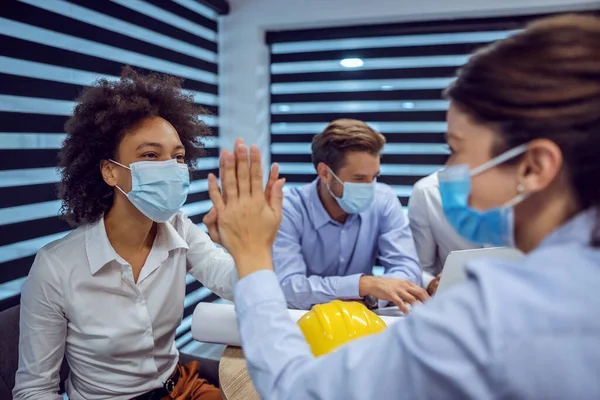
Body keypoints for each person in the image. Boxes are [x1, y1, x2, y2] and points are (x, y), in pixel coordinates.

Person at [208, 14, 600, 400]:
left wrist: (252, 255)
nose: (448, 170)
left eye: (456, 149)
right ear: (325, 173)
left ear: (534, 167)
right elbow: (296, 288)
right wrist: (364, 285)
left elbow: (297, 390)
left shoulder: (488, 315)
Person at [12, 67, 281, 400]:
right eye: (151, 155)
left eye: (178, 157)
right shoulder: (56, 267)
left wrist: (248, 248)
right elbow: (34, 389)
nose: (171, 167)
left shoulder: (179, 228)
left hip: (180, 387)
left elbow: (234, 285)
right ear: (110, 171)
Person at [270, 119, 428, 311]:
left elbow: (409, 271)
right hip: (303, 326)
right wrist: (362, 285)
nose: (370, 187)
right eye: (359, 178)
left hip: (365, 323)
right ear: (325, 173)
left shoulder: (384, 199)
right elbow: (288, 288)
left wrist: (369, 298)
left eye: (375, 177)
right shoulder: (288, 210)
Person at [408, 171, 480, 295]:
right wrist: (433, 284)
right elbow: (418, 268)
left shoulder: (519, 189)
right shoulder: (428, 190)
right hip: (455, 297)